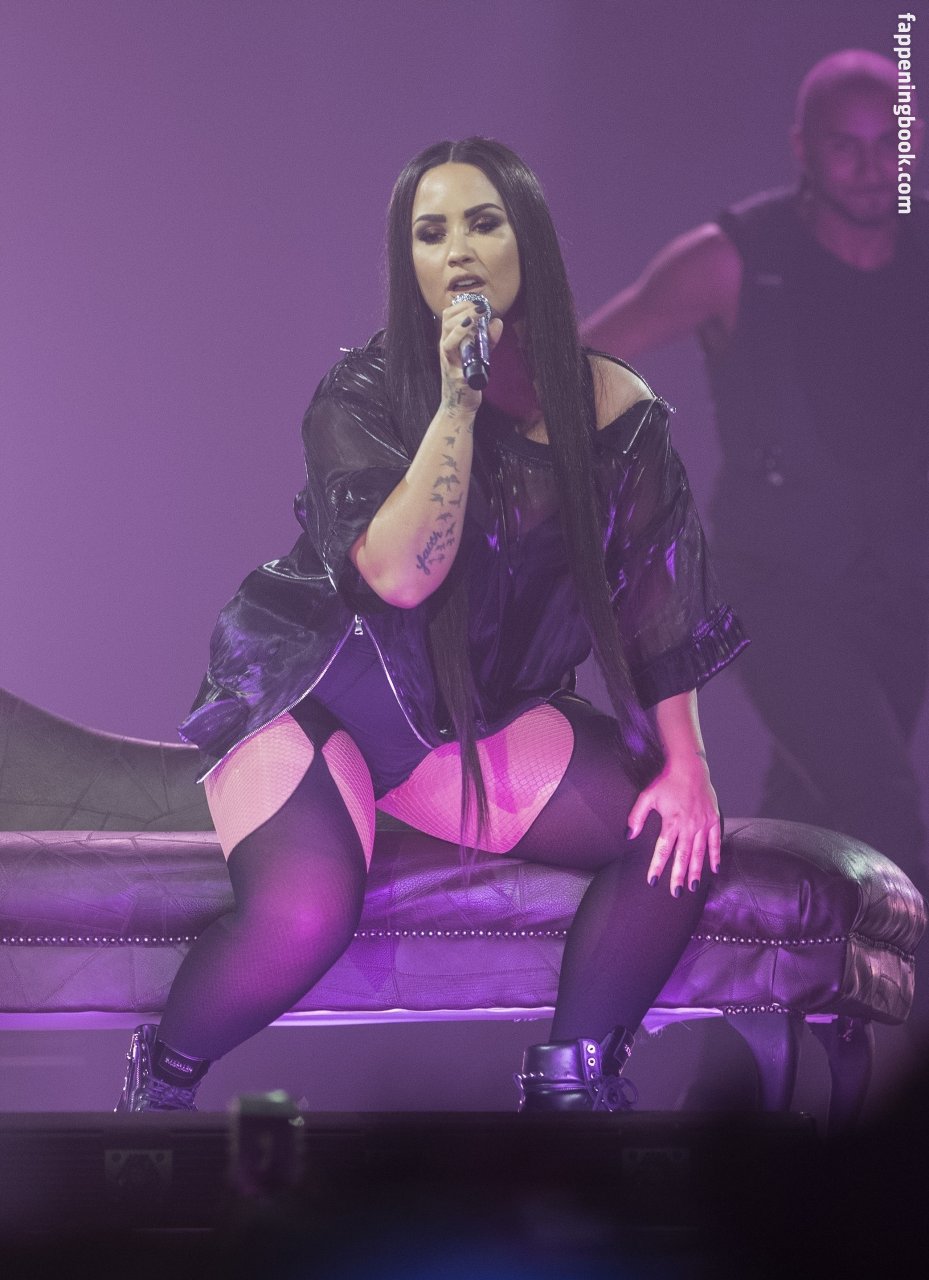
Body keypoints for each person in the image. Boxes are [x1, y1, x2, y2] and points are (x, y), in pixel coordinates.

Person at [116, 137, 748, 1113]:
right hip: (314, 689)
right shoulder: (363, 392)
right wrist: (455, 403)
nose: (456, 250)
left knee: (668, 831)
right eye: (429, 232)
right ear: (406, 261)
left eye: (483, 223)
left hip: (462, 714)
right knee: (306, 913)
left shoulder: (615, 409)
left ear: (527, 239)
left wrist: (687, 760)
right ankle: (160, 1082)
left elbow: (658, 595)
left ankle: (571, 1081)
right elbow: (400, 578)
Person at [583, 51, 929, 973]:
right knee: (882, 805)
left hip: (901, 593)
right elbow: (580, 365)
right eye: (844, 146)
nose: (871, 167)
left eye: (888, 144)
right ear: (801, 149)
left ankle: (731, 1054)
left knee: (804, 828)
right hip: (776, 590)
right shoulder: (733, 258)